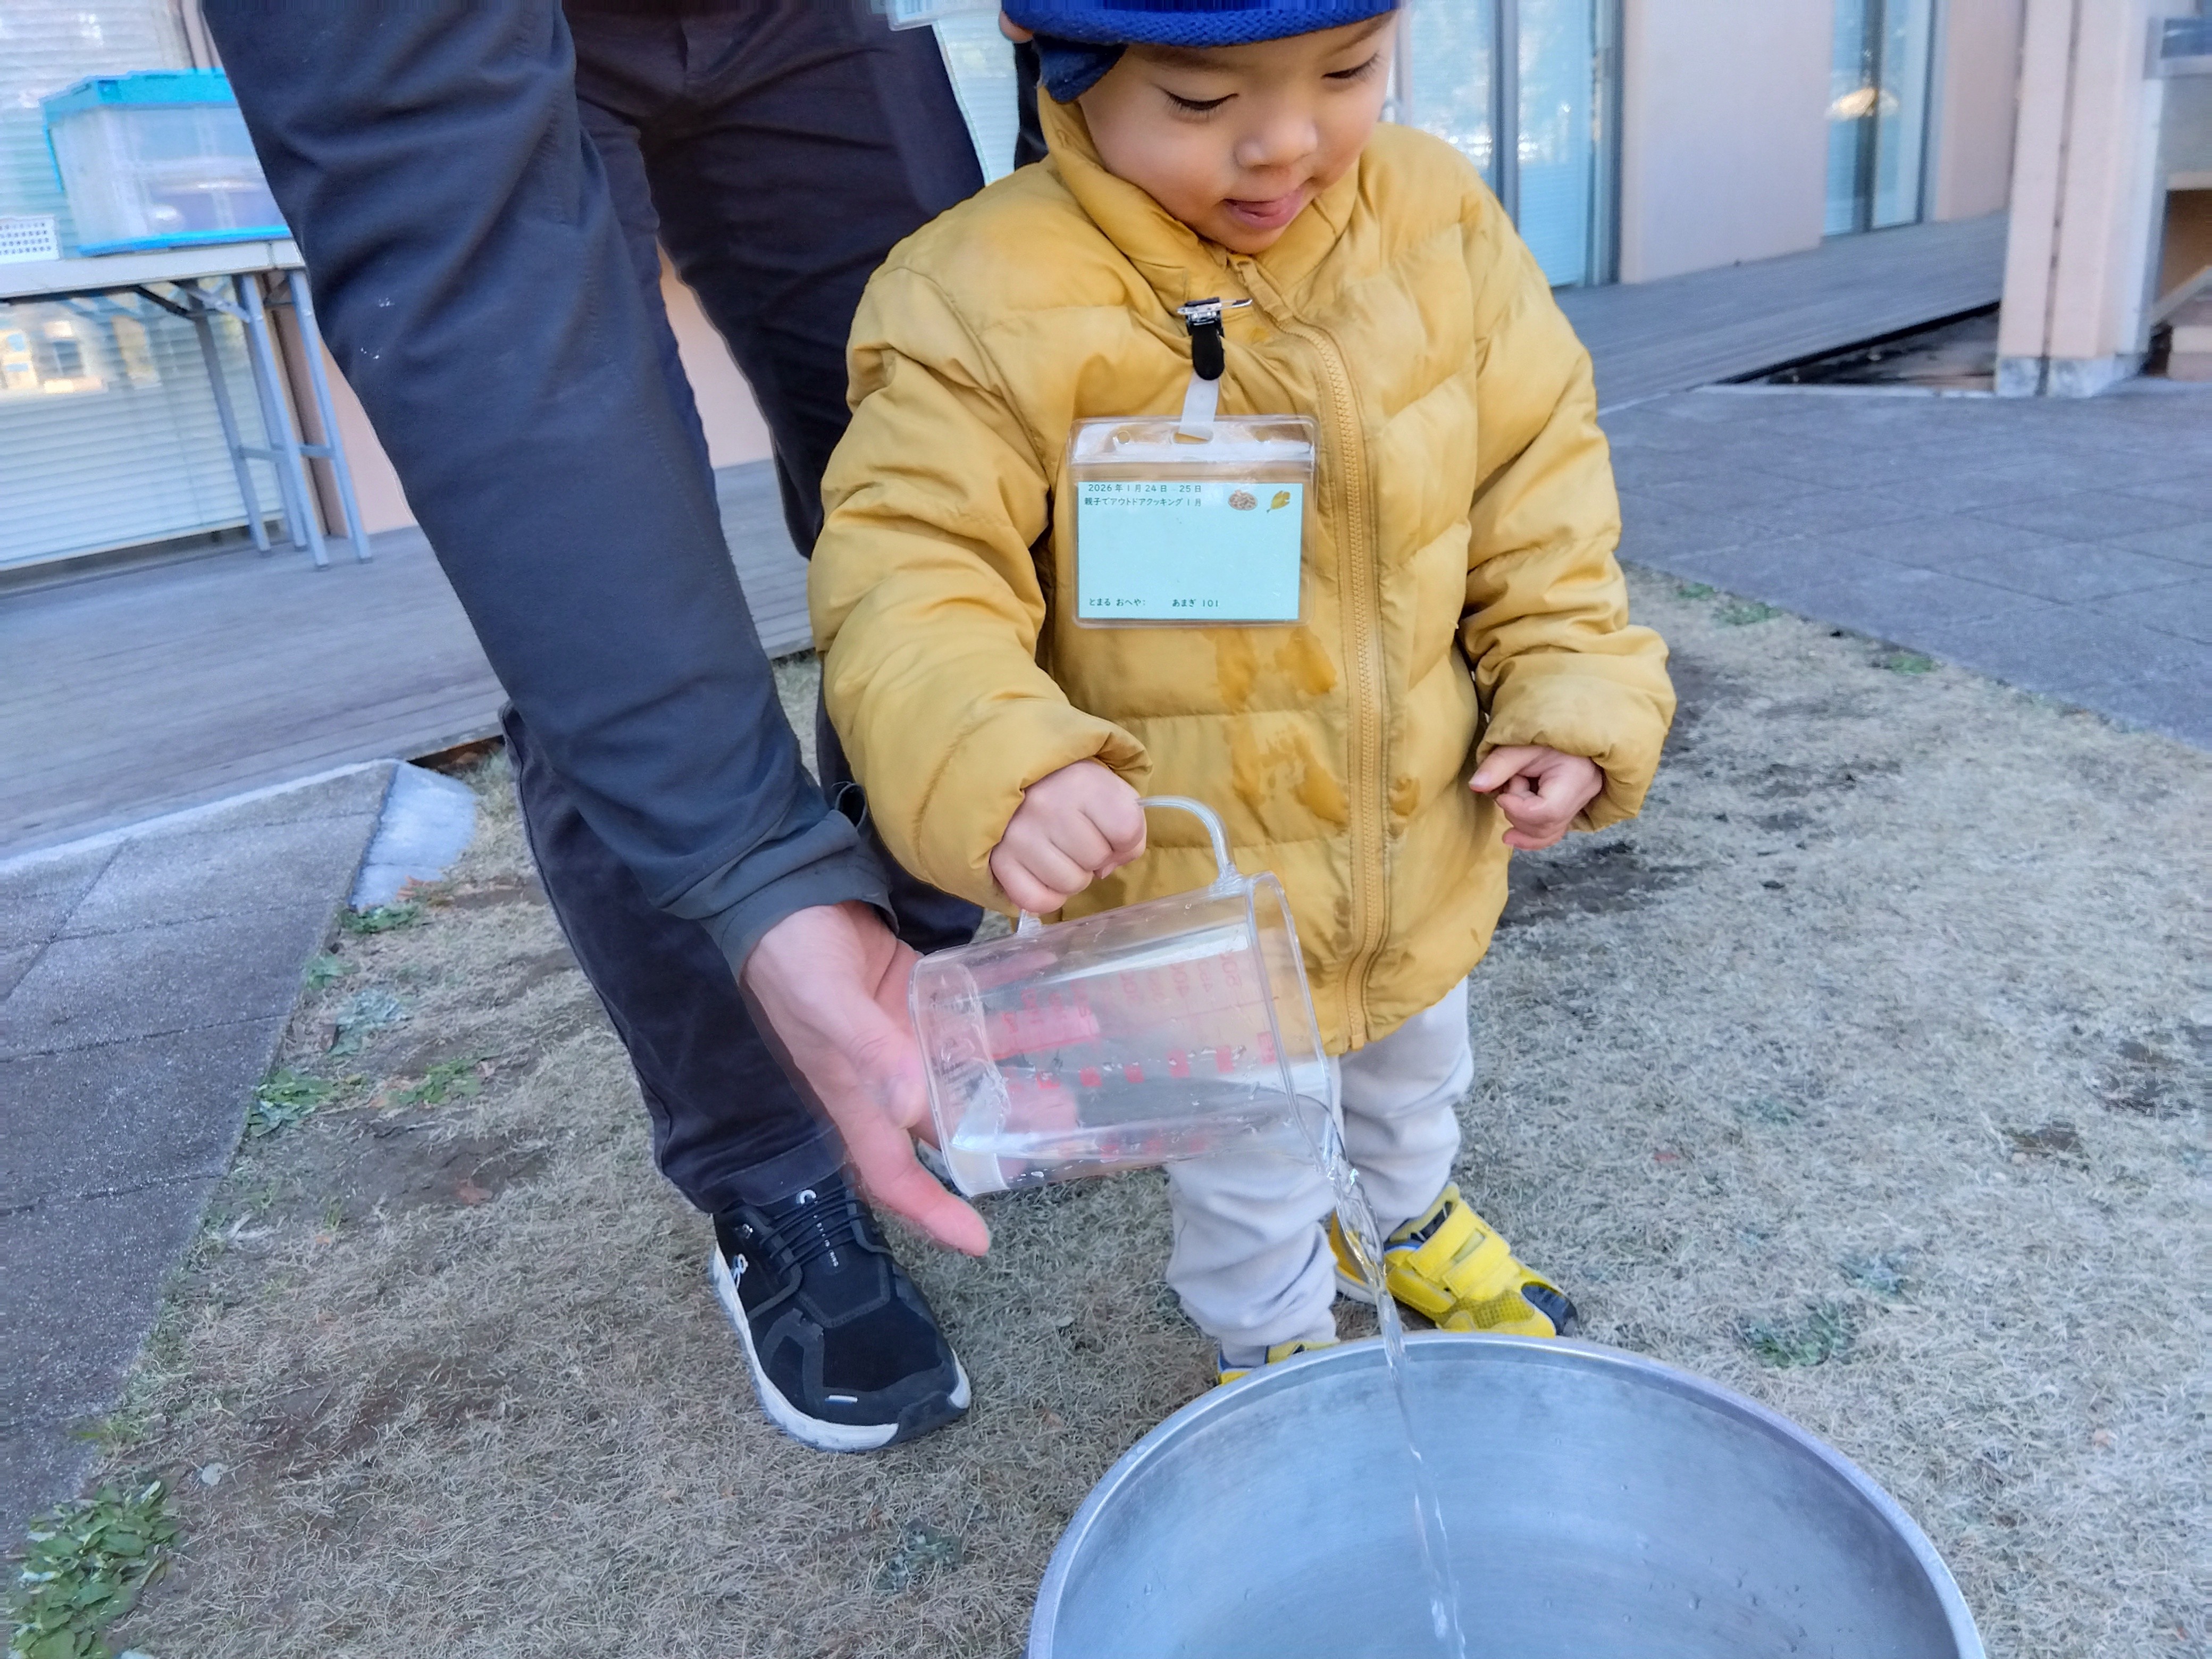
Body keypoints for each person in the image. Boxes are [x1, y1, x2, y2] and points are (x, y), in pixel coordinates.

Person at [204, 0, 1036, 1452]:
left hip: (805, 20)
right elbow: (475, 283)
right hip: (455, 42)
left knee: (960, 523)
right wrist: (751, 867)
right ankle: (768, 1166)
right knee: (600, 611)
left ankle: (905, 1021)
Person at [809, 0, 1677, 1380]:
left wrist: (1567, 682)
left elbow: (1539, 482)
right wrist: (1002, 753)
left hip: (1417, 833)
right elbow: (912, 567)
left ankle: (1403, 1219)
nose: (1284, 145)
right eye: (1203, 104)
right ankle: (1272, 1347)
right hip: (1193, 881)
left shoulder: (1436, 215)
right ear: (1066, 71)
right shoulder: (977, 293)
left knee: (1415, 1067)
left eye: (1348, 72)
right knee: (1247, 1152)